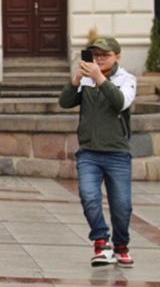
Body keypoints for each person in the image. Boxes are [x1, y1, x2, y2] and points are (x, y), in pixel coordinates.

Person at [58, 35, 136, 268]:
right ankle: (101, 243)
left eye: (105, 55)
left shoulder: (126, 79)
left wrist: (99, 78)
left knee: (122, 206)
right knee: (89, 197)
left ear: (117, 56)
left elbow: (120, 102)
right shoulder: (86, 79)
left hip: (117, 153)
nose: (99, 59)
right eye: (96, 54)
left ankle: (121, 246)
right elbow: (64, 102)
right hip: (89, 152)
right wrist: (75, 80)